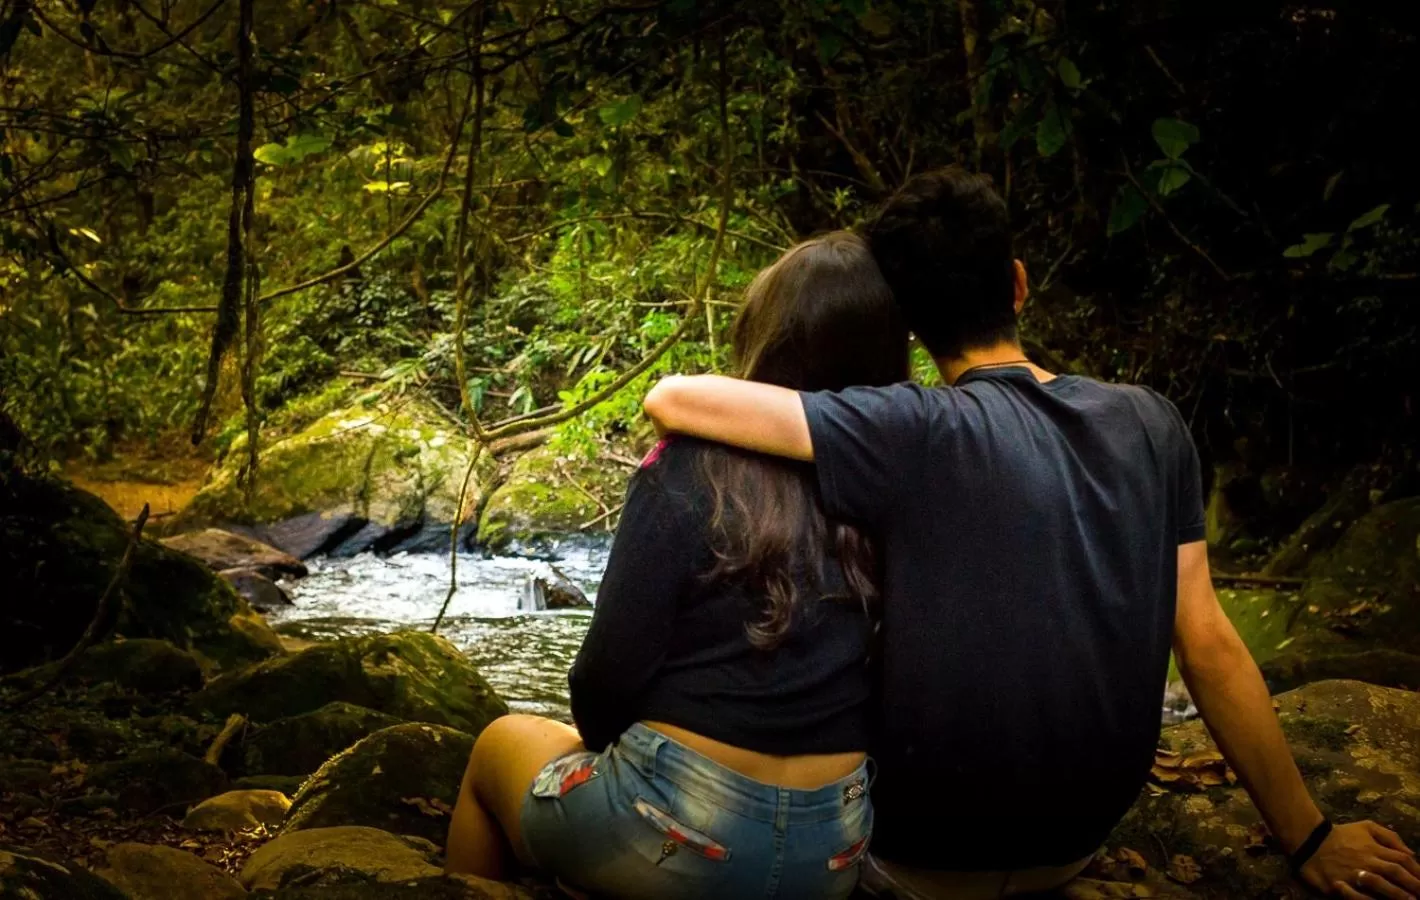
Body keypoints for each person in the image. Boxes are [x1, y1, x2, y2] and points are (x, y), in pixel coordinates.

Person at [642, 168, 1420, 900]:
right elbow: (1208, 640)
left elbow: (676, 400)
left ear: (911, 329)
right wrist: (1310, 837)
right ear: (1018, 282)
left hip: (916, 857)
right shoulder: (1151, 422)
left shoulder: (911, 429)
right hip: (1076, 840)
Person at [445, 231, 909, 899]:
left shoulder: (691, 469)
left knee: (496, 744)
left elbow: (607, 670)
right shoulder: (898, 487)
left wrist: (610, 753)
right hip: (833, 844)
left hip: (675, 832)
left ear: (763, 341)